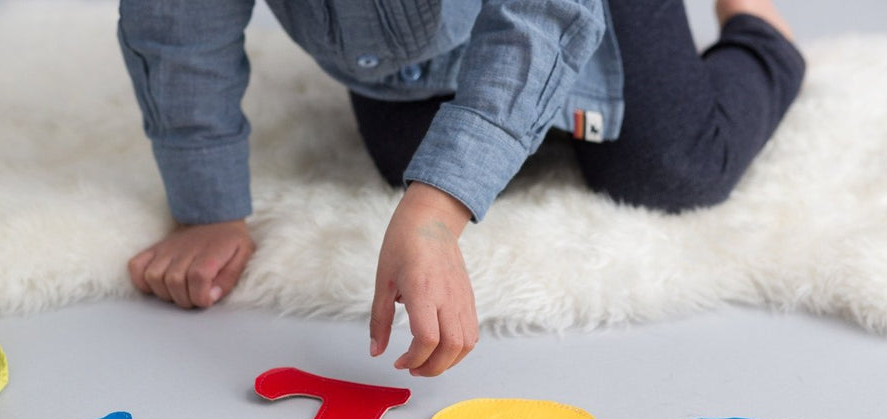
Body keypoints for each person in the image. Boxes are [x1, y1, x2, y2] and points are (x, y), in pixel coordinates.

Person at [117, 0, 804, 377]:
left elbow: (548, 12)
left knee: (673, 169)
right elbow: (176, 26)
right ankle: (528, 109)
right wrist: (208, 205)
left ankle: (760, 28)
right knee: (410, 160)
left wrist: (439, 209)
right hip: (403, 44)